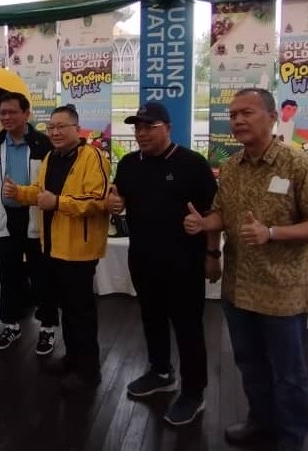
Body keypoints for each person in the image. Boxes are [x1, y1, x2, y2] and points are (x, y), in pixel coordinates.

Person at [183, 88, 308, 451]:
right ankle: (261, 422)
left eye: (247, 113)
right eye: (233, 115)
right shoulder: (231, 167)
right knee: (250, 363)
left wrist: (271, 233)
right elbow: (223, 214)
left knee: (289, 373)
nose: (237, 120)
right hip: (239, 287)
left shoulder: (299, 165)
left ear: (272, 117)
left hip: (282, 292)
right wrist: (205, 224)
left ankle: (291, 439)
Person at [106, 101, 219, 426]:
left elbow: (213, 213)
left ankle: (194, 392)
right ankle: (160, 372)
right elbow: (118, 197)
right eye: (137, 128)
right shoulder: (129, 163)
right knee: (151, 318)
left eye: (149, 127)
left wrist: (213, 255)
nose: (141, 133)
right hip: (142, 258)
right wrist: (114, 202)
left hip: (184, 262)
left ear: (168, 128)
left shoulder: (192, 164)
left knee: (188, 327)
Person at [3, 104, 110, 391]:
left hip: (79, 250)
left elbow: (97, 200)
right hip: (51, 247)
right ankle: (72, 359)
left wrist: (58, 203)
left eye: (62, 126)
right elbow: (40, 193)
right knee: (67, 311)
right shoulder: (51, 157)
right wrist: (19, 192)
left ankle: (89, 372)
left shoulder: (94, 157)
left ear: (77, 128)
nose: (55, 132)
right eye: (51, 127)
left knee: (81, 314)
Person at [0, 91, 57, 355]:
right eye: (2, 113)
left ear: (26, 113)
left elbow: (54, 182)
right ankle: (10, 324)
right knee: (8, 274)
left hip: (37, 218)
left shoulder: (42, 144)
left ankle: (47, 327)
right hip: (4, 219)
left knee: (42, 275)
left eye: (12, 112)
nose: (6, 117)